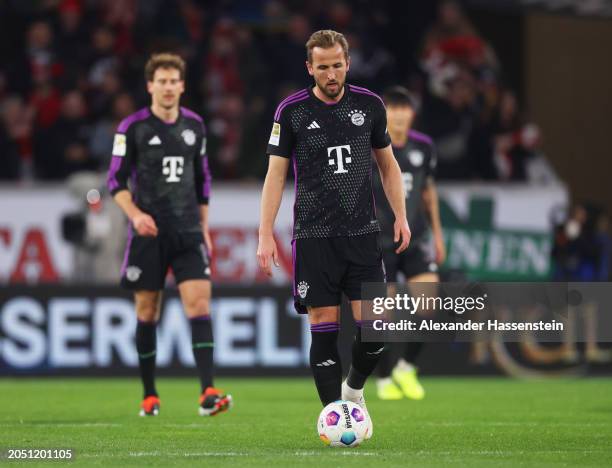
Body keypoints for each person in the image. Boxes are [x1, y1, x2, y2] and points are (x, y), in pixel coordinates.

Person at [257, 30, 410, 435]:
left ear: (347, 64)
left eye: (337, 65)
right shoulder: (290, 111)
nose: (330, 73)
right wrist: (264, 233)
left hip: (362, 234)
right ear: (310, 68)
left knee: (377, 330)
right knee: (324, 331)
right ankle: (335, 417)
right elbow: (275, 175)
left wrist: (401, 215)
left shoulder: (370, 106)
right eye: (322, 66)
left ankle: (354, 392)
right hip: (314, 237)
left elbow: (389, 166)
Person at [106, 53, 231, 417]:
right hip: (148, 234)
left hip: (188, 231)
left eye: (173, 81)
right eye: (161, 81)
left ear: (182, 85)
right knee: (147, 310)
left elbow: (202, 179)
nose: (167, 87)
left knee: (200, 305)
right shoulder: (132, 128)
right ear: (150, 86)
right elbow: (115, 180)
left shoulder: (195, 126)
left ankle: (208, 391)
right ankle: (149, 394)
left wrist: (205, 226)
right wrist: (135, 215)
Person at [373, 86, 445, 401]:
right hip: (378, 240)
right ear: (385, 113)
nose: (400, 114)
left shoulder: (424, 147)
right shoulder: (370, 145)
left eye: (405, 108)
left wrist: (438, 234)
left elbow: (428, 192)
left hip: (414, 237)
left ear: (411, 114)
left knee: (429, 301)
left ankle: (406, 367)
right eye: (394, 108)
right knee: (380, 314)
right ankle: (384, 377)